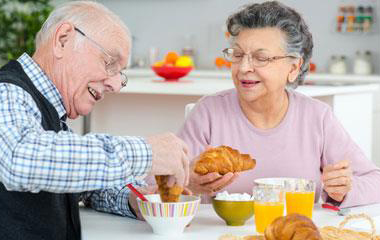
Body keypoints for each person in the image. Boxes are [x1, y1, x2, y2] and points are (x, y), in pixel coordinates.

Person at [0, 1, 189, 240]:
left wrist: (134, 200)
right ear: (63, 40)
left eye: (120, 74)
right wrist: (146, 152)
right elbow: (20, 160)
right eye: (110, 62)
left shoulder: (51, 114)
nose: (114, 85)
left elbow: (74, 186)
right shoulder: (7, 91)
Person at [178, 1, 380, 207]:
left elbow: (374, 181)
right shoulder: (208, 113)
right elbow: (155, 187)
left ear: (294, 67)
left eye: (261, 58)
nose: (244, 67)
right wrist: (186, 184)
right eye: (237, 55)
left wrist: (344, 190)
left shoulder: (317, 117)